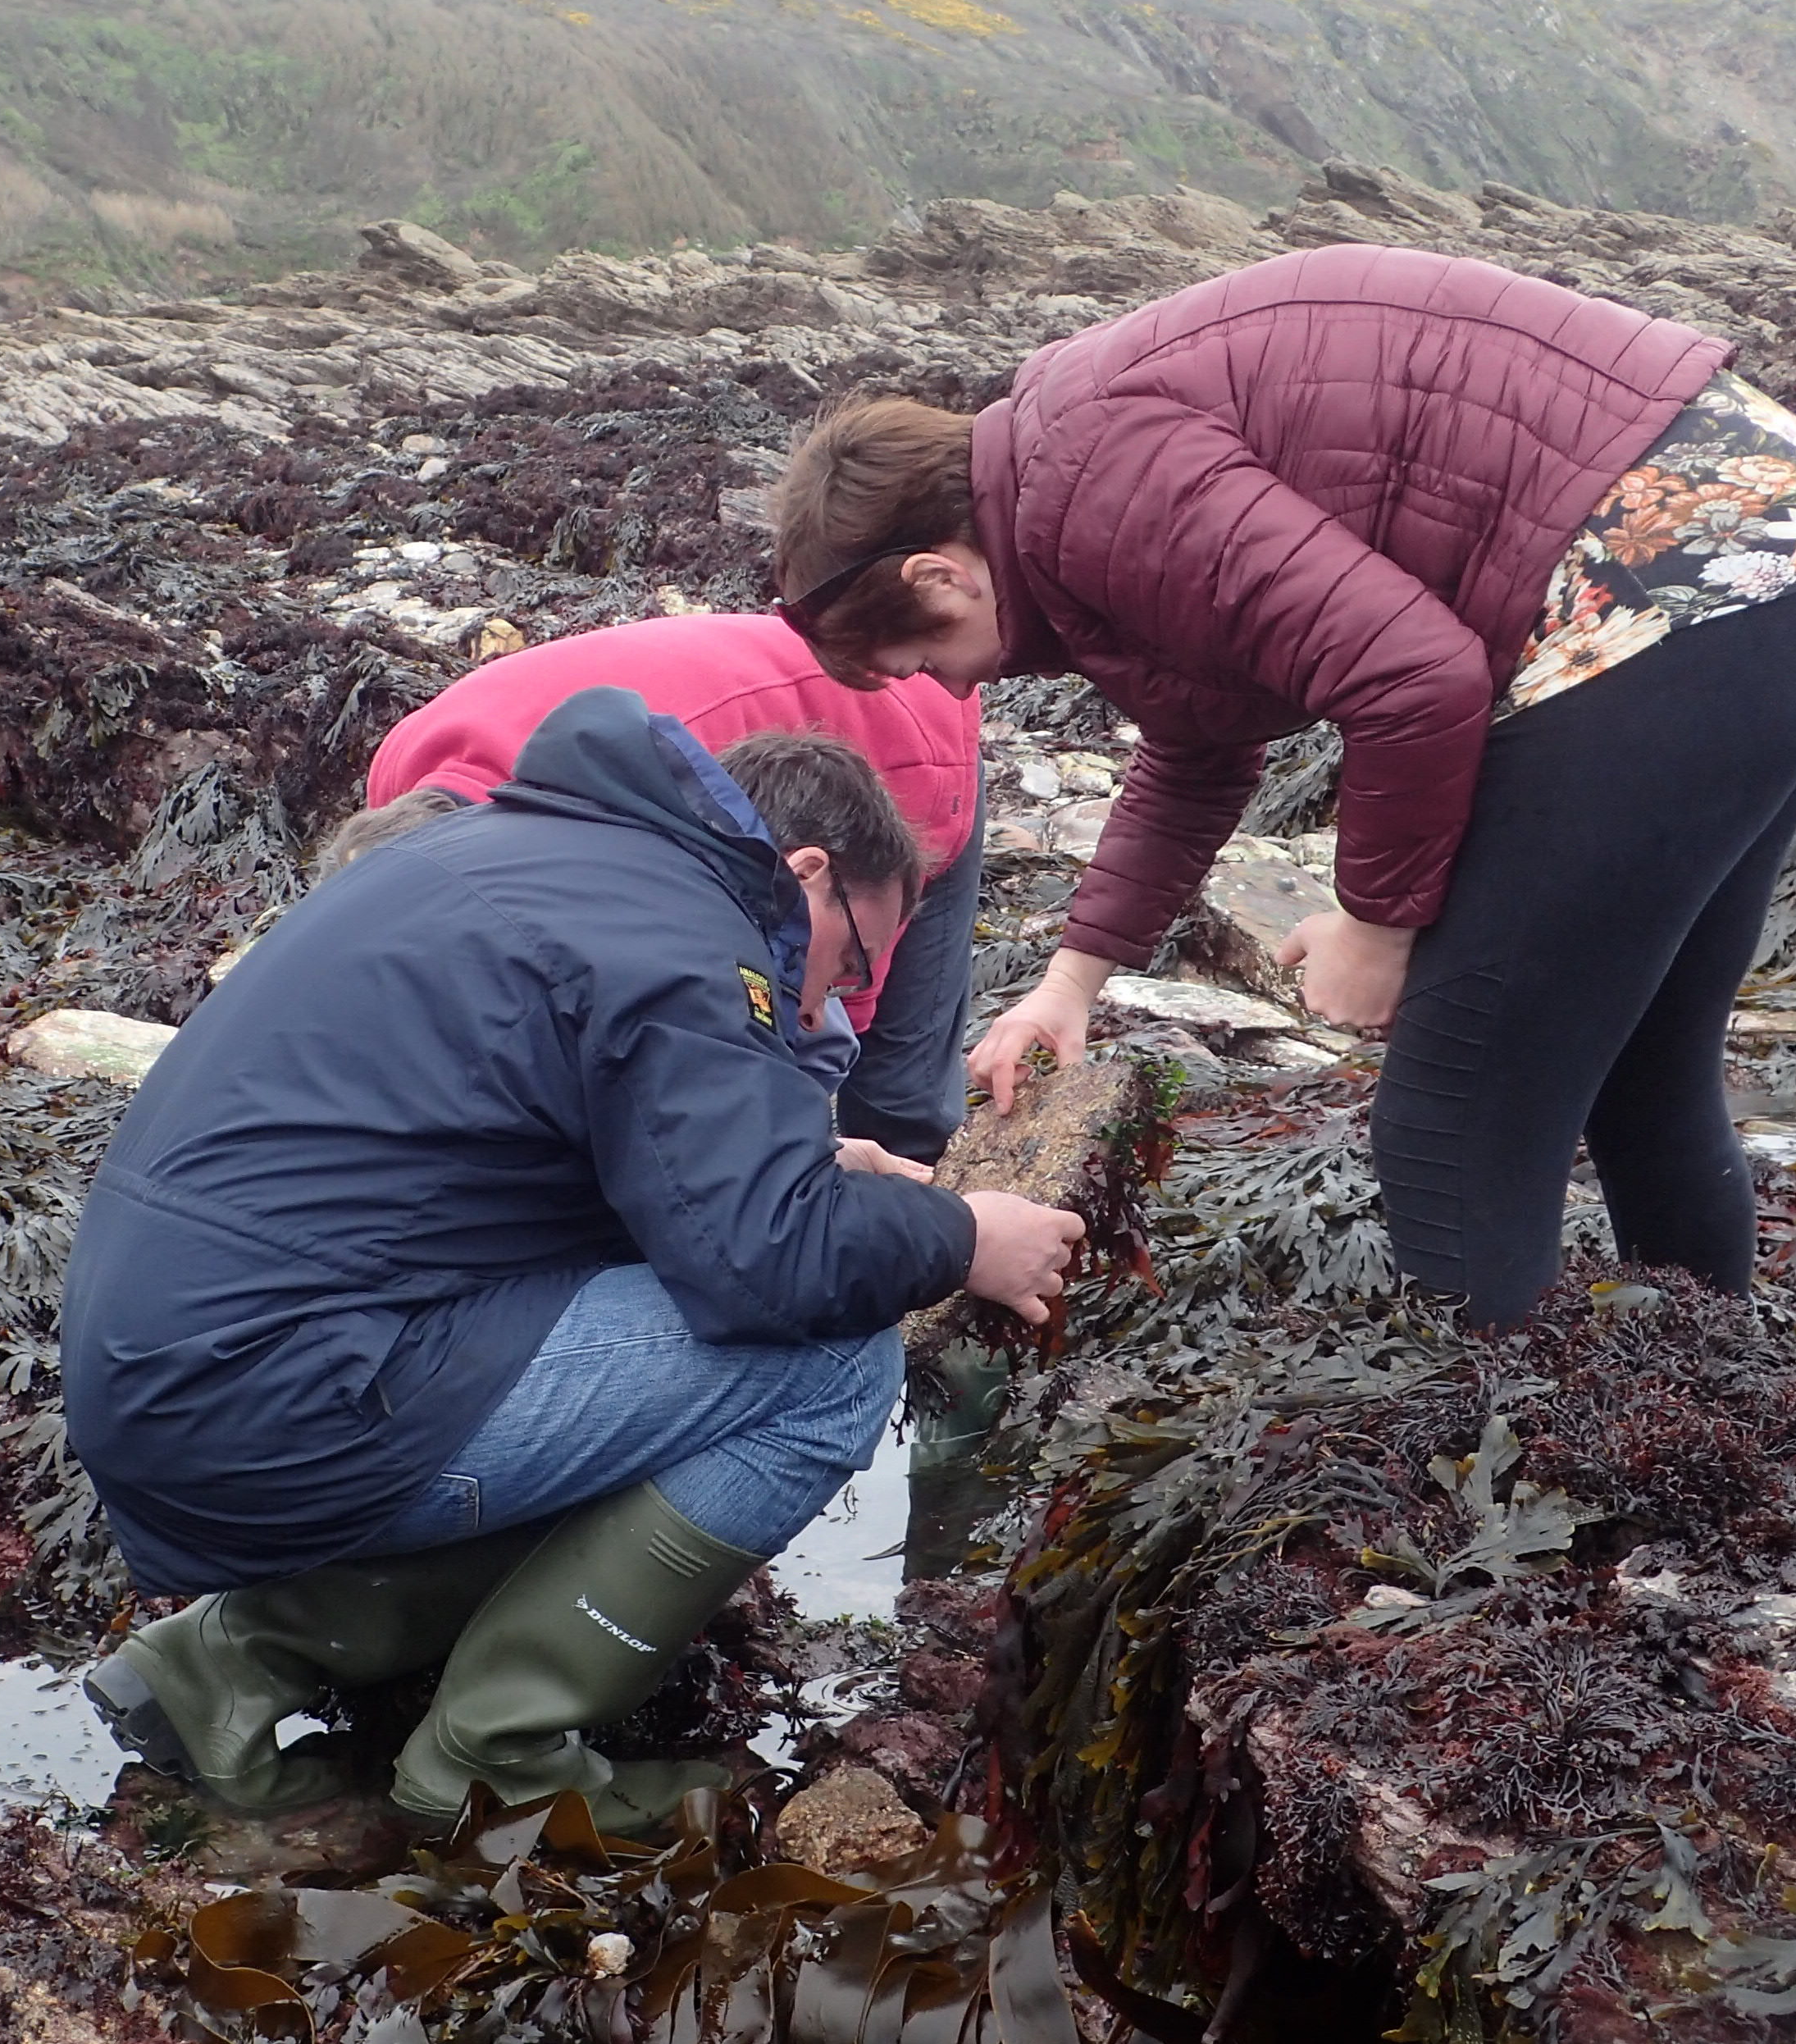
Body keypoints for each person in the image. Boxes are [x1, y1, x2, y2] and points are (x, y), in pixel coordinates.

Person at [769, 243, 1796, 1330]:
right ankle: (1710, 1405)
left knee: (1449, 1119)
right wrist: (1072, 984)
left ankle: (1516, 1470)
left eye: (917, 656)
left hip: (1665, 582)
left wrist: (1376, 920)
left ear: (939, 573)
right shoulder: (1069, 479)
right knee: (1644, 1065)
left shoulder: (1094, 485)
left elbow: (1415, 680)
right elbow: (1199, 743)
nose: (943, 684)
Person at [62, 688, 1084, 1835]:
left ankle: (222, 1669)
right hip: (275, 1398)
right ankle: (495, 1766)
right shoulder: (688, 936)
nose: (830, 1005)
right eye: (849, 965)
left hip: (175, 1372)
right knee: (828, 1368)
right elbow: (770, 1269)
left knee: (637, 1366)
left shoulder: (534, 856)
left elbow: (533, 1163)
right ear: (804, 875)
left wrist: (795, 1153)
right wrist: (962, 1237)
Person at [351, 614, 987, 1163]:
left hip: (912, 728)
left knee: (889, 1090)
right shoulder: (403, 788)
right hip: (744, 714)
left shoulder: (603, 822)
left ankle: (945, 1251)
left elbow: (798, 1018)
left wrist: (803, 1145)